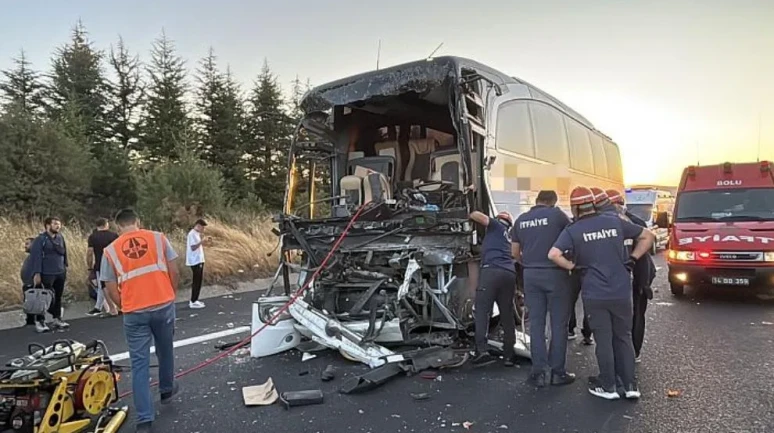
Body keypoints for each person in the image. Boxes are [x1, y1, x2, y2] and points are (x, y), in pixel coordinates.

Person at [548, 186, 655, 400]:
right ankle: (630, 385)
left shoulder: (573, 230)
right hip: (621, 291)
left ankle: (608, 386)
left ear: (575, 208)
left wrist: (572, 267)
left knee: (603, 339)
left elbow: (553, 254)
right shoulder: (615, 222)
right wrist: (633, 259)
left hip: (595, 292)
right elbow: (648, 236)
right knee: (623, 336)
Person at [100, 208, 180, 432]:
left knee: (139, 365)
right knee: (165, 349)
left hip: (134, 312)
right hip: (163, 305)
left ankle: (145, 419)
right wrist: (170, 294)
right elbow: (174, 270)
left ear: (118, 226)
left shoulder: (110, 250)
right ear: (138, 221)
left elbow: (110, 286)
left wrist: (123, 306)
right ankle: (166, 390)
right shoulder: (158, 238)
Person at [511, 190, 575, 387]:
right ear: (553, 202)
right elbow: (572, 238)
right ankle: (557, 373)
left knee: (536, 324)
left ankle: (538, 373)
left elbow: (514, 252)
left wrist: (529, 262)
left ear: (537, 201)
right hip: (555, 274)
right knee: (558, 324)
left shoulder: (521, 219)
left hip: (531, 275)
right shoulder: (557, 215)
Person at [607, 189, 656, 363]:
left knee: (635, 314)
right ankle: (627, 351)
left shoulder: (632, 223)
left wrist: (643, 282)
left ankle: (633, 351)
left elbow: (644, 255)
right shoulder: (629, 221)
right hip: (628, 275)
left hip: (636, 275)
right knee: (628, 315)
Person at [469, 209, 518, 367]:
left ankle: (481, 351)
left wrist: (470, 213)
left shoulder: (496, 226)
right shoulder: (509, 237)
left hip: (491, 271)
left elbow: (478, 217)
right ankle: (509, 355)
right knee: (507, 314)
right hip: (509, 273)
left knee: (482, 311)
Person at [29, 217, 69, 330]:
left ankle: (57, 318)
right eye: (55, 224)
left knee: (58, 296)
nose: (58, 226)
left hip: (60, 271)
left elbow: (64, 252)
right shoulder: (40, 239)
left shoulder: (60, 237)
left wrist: (65, 266)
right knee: (43, 297)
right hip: (47, 273)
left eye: (59, 224)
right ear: (47, 225)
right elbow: (36, 257)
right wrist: (37, 273)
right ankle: (40, 321)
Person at [87, 218, 120, 317]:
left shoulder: (93, 237)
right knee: (117, 285)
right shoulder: (114, 235)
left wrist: (89, 267)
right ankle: (118, 306)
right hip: (114, 263)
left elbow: (89, 253)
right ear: (106, 224)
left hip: (100, 265)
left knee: (103, 286)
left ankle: (112, 308)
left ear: (97, 225)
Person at [22, 237, 49, 333]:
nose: (25, 246)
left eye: (27, 244)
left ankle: (40, 321)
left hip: (34, 283)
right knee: (29, 302)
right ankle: (30, 321)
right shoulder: (30, 257)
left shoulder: (38, 256)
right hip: (27, 283)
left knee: (38, 302)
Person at [186, 219, 209, 309]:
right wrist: (201, 242)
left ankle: (195, 299)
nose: (203, 229)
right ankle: (193, 300)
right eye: (202, 227)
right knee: (196, 280)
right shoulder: (192, 234)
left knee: (199, 280)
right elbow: (193, 247)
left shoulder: (196, 234)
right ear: (198, 226)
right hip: (195, 260)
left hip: (199, 259)